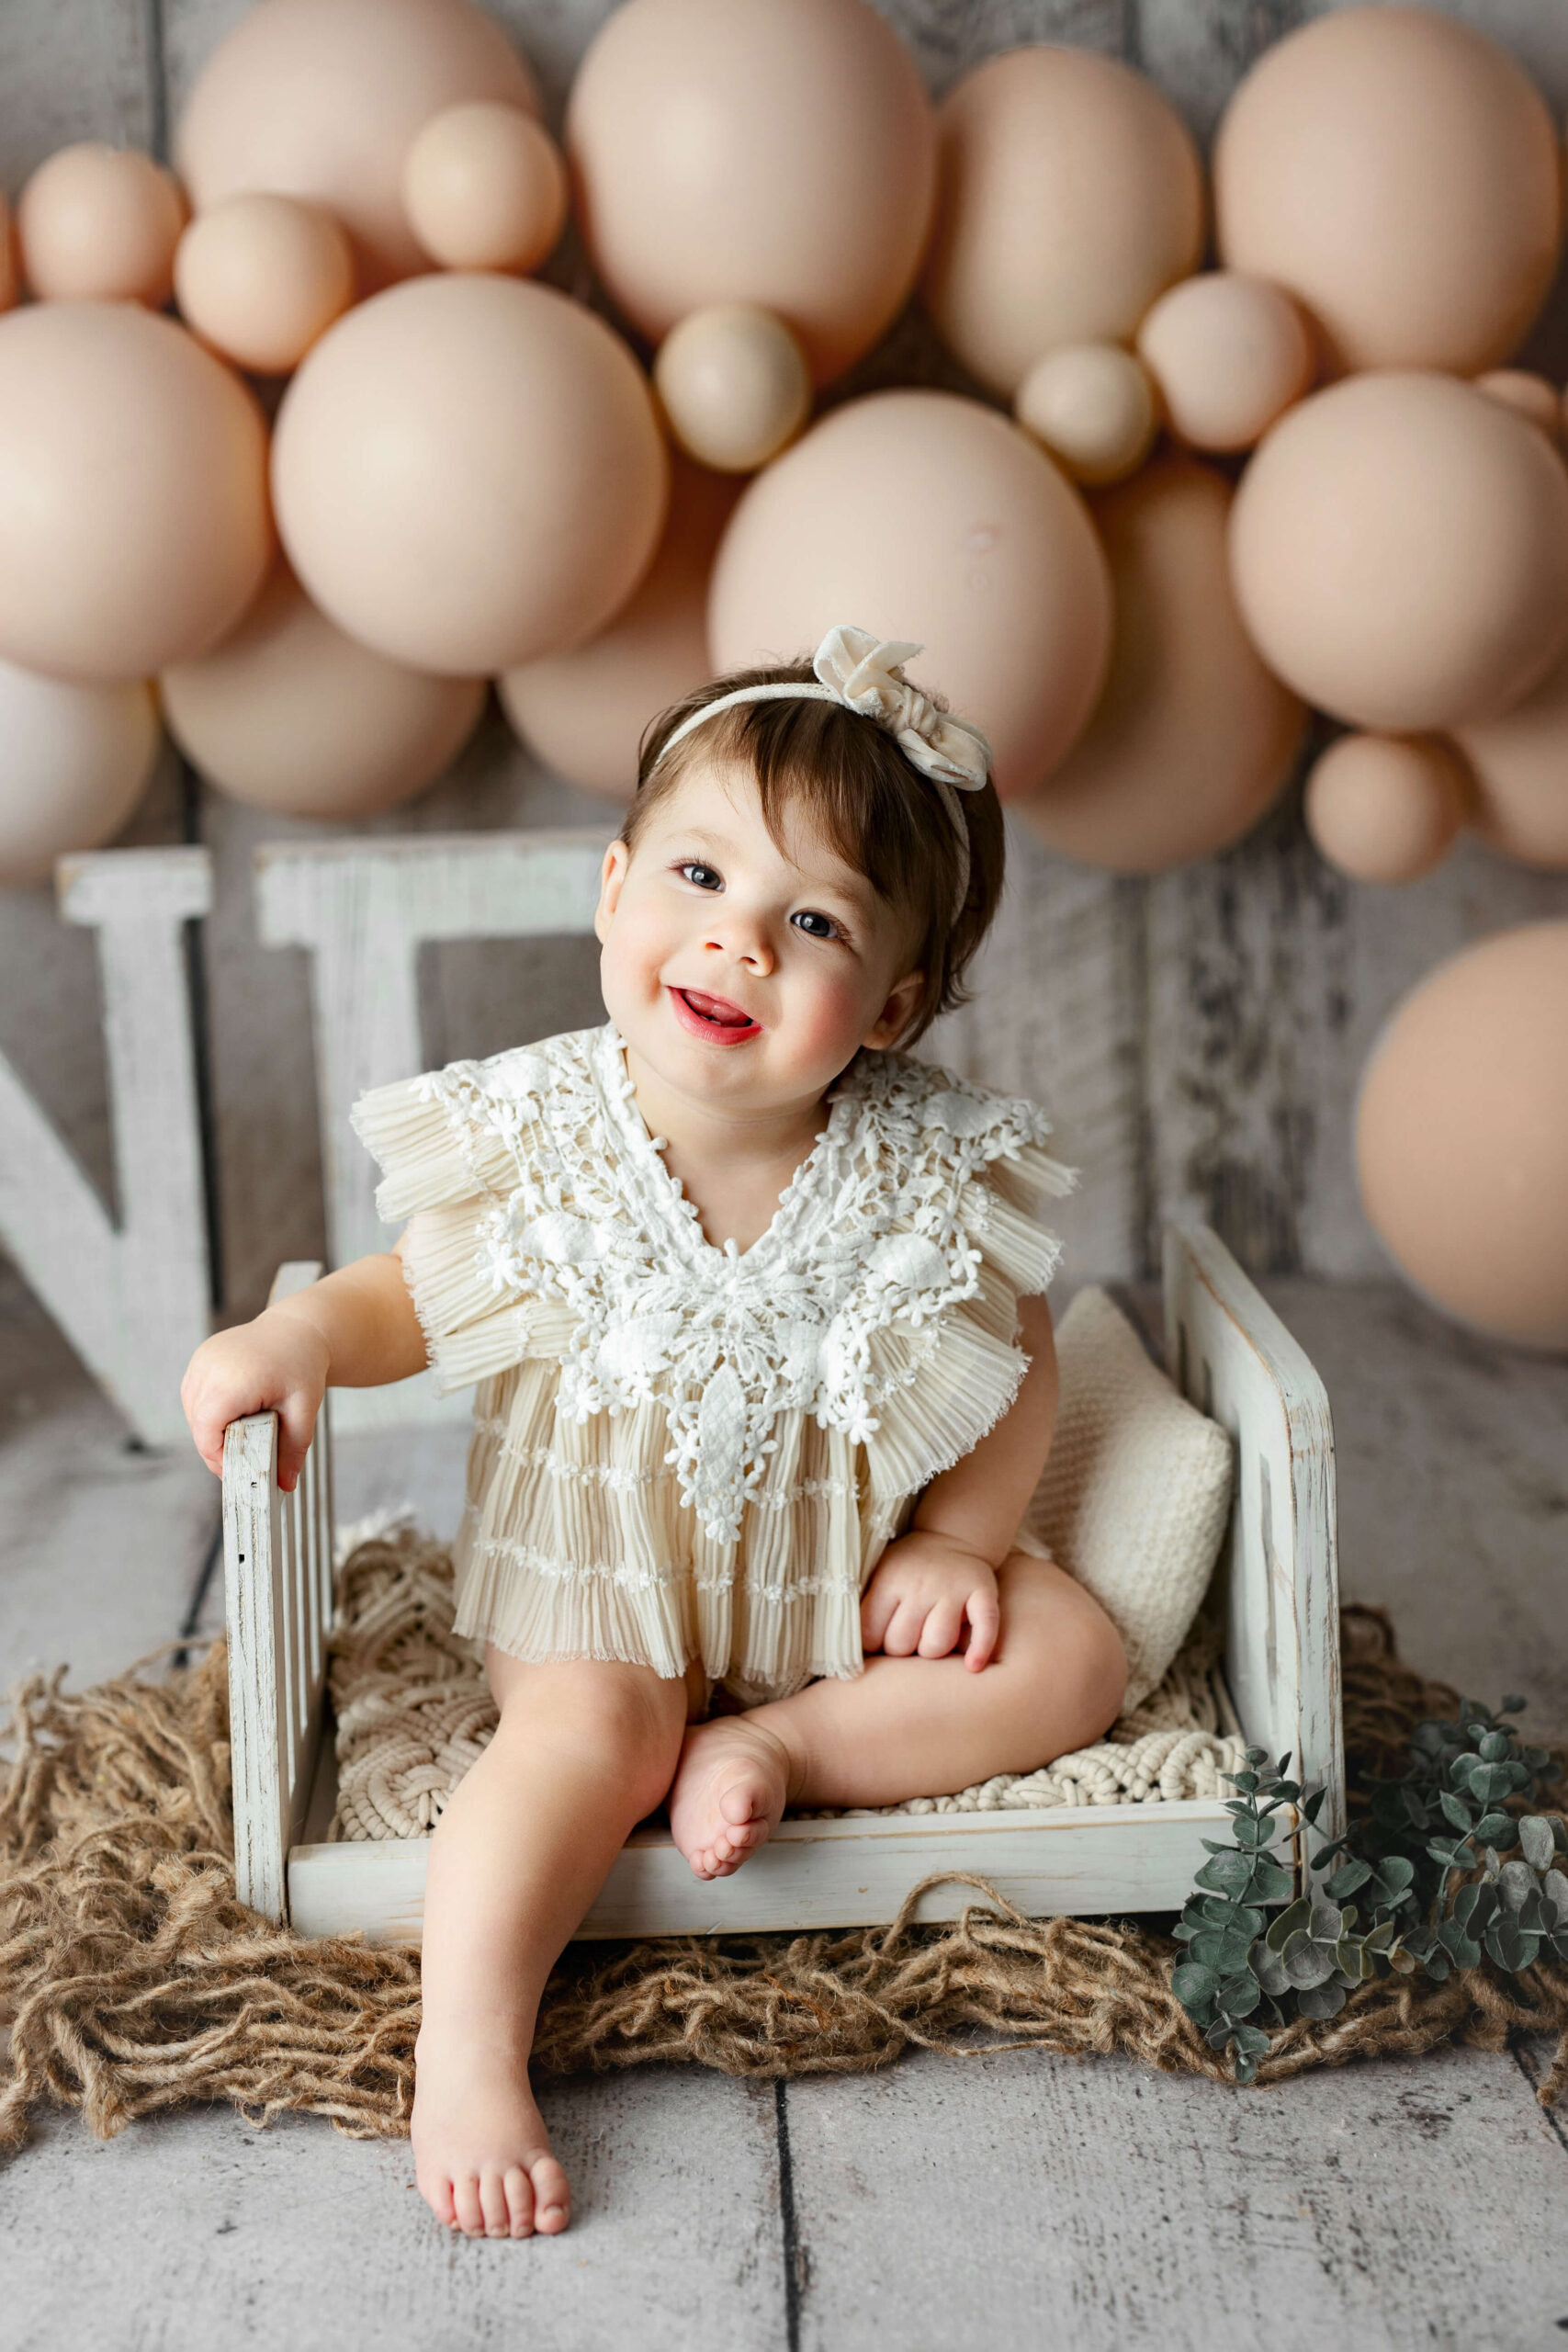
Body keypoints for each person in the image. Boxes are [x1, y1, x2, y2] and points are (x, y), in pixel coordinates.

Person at [180, 625, 1127, 2244]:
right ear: (614, 890)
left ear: (892, 1002)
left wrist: (963, 1540)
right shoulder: (552, 1130)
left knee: (1072, 1652)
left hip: (837, 1596)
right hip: (600, 1588)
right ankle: (469, 2048)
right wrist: (294, 1338)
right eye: (698, 877)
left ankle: (784, 1750)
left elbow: (1011, 1342)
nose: (737, 941)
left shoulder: (921, 1168)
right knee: (586, 1743)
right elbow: (411, 1295)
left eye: (810, 919)